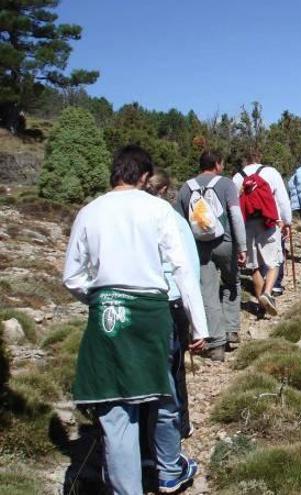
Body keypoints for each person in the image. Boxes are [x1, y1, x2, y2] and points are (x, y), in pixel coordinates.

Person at [63, 145, 207, 494]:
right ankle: (168, 468)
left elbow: (72, 277)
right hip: (151, 313)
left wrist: (98, 298)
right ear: (144, 176)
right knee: (162, 394)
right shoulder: (157, 209)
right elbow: (183, 270)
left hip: (107, 312)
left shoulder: (89, 211)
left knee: (115, 413)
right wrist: (198, 325)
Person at [142, 169, 199, 456]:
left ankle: (143, 442)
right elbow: (188, 270)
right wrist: (197, 322)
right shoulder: (173, 220)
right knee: (174, 371)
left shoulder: (129, 218)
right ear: (165, 190)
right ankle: (180, 426)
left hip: (133, 305)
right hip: (169, 302)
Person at [177, 151, 246, 361]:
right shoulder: (226, 184)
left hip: (200, 247)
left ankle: (216, 345)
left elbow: (179, 222)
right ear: (217, 164)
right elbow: (235, 215)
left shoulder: (185, 188)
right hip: (225, 243)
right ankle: (231, 330)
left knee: (207, 293)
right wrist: (242, 246)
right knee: (232, 283)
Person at [232, 150, 291, 316]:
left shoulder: (237, 177)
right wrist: (286, 221)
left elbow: (234, 205)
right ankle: (267, 293)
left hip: (246, 223)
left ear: (245, 161)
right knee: (275, 261)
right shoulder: (270, 172)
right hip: (268, 222)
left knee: (254, 266)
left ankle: (260, 306)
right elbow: (282, 199)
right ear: (259, 158)